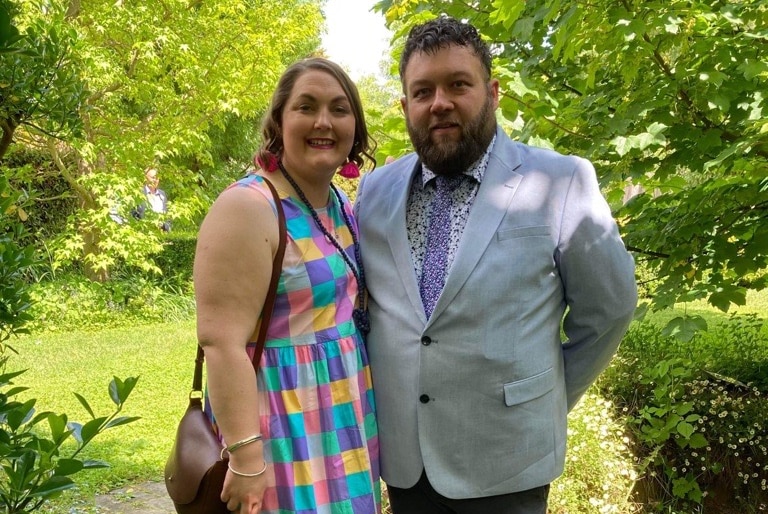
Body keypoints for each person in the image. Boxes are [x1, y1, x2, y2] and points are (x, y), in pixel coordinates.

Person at [354, 16, 637, 514]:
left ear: (493, 92)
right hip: (405, 460)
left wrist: (539, 400)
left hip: (509, 459)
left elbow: (609, 311)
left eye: (458, 84)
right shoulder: (375, 192)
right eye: (422, 92)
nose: (439, 102)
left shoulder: (561, 180)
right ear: (404, 107)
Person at [194, 57, 380, 514]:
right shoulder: (249, 206)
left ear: (354, 125)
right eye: (306, 107)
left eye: (339, 109)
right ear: (279, 120)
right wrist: (246, 457)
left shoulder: (337, 202)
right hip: (280, 424)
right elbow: (220, 342)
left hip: (340, 414)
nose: (324, 121)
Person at [134, 167, 171, 231]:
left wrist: (165, 226)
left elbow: (168, 216)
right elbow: (133, 214)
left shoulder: (162, 194)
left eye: (157, 178)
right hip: (143, 232)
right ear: (146, 178)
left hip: (161, 233)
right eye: (153, 177)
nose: (155, 180)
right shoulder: (139, 193)